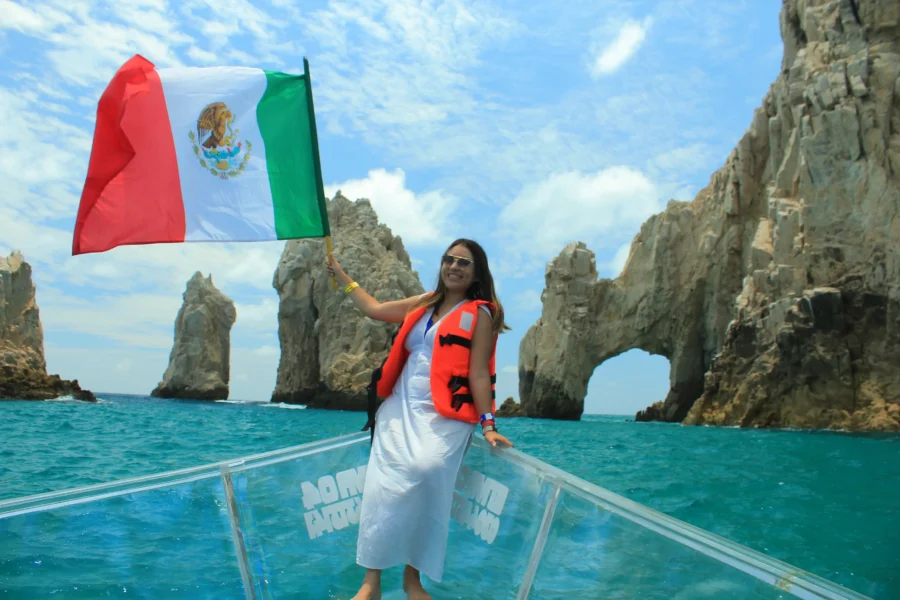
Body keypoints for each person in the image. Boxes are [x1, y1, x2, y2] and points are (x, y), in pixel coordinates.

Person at [325, 238, 513, 600]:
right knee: (383, 486)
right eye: (449, 260)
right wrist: (342, 276)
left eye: (464, 263)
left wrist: (488, 424)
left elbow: (477, 373)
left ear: (476, 273)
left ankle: (414, 580)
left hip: (446, 412)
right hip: (400, 405)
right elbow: (375, 309)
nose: (454, 267)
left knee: (428, 474)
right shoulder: (424, 303)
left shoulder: (481, 314)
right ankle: (371, 583)